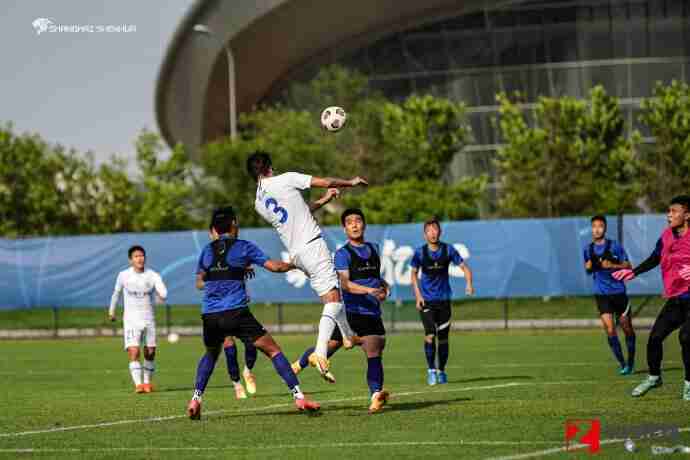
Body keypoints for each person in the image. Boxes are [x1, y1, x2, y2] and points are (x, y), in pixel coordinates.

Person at [187, 207, 319, 419]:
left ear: (215, 229)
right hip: (236, 312)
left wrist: (229, 275)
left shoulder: (207, 250)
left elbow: (200, 283)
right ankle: (299, 397)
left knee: (211, 354)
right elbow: (274, 267)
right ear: (233, 225)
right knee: (274, 351)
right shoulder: (243, 247)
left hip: (210, 315)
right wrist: (296, 264)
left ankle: (196, 398)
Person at [247, 151, 368, 377]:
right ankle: (320, 353)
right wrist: (350, 182)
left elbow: (299, 213)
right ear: (269, 167)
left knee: (332, 297)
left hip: (297, 254)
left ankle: (348, 336)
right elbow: (326, 181)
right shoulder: (285, 179)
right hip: (312, 245)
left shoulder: (258, 202)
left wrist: (325, 200)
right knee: (333, 300)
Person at [293, 209, 390, 413]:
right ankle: (298, 365)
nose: (354, 225)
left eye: (358, 221)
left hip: (371, 313)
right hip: (350, 314)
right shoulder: (342, 254)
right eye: (349, 222)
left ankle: (375, 395)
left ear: (364, 224)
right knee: (327, 348)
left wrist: (383, 285)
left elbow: (374, 277)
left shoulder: (375, 248)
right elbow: (345, 285)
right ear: (344, 228)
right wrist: (370, 290)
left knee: (374, 350)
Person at [613, 196, 690, 399]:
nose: (669, 215)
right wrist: (634, 272)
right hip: (676, 299)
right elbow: (655, 258)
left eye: (674, 211)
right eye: (668, 211)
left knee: (686, 337)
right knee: (654, 338)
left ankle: (689, 384)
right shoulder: (666, 236)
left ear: (687, 215)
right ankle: (654, 377)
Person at [410, 218, 474, 386]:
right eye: (429, 230)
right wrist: (418, 296)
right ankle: (431, 370)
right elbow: (413, 275)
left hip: (444, 301)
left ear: (440, 232)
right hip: (427, 302)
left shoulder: (448, 250)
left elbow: (465, 268)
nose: (433, 233)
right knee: (430, 335)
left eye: (435, 229)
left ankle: (441, 371)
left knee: (443, 339)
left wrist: (469, 284)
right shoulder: (420, 253)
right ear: (425, 234)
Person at [207, 223, 259, 399]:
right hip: (218, 307)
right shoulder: (208, 253)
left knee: (253, 343)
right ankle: (236, 384)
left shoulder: (234, 248)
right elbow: (202, 279)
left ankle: (247, 371)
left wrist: (243, 269)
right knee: (228, 344)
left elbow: (240, 263)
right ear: (212, 233)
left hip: (237, 303)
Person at [109, 245, 168, 393]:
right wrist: (112, 311)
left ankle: (147, 383)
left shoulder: (152, 275)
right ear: (131, 260)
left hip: (149, 319)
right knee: (134, 351)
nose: (139, 258)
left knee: (150, 352)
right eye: (136, 256)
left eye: (141, 256)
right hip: (131, 320)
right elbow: (116, 294)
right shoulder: (123, 275)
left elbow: (163, 290)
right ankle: (138, 385)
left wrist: (162, 293)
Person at [583, 215, 636, 375]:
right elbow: (588, 270)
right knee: (610, 329)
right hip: (601, 294)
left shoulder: (615, 246)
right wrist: (588, 267)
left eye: (600, 226)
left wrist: (613, 265)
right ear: (591, 229)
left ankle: (631, 360)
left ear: (605, 228)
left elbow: (628, 266)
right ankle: (623, 364)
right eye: (594, 226)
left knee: (626, 328)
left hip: (618, 292)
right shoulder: (588, 249)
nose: (597, 229)